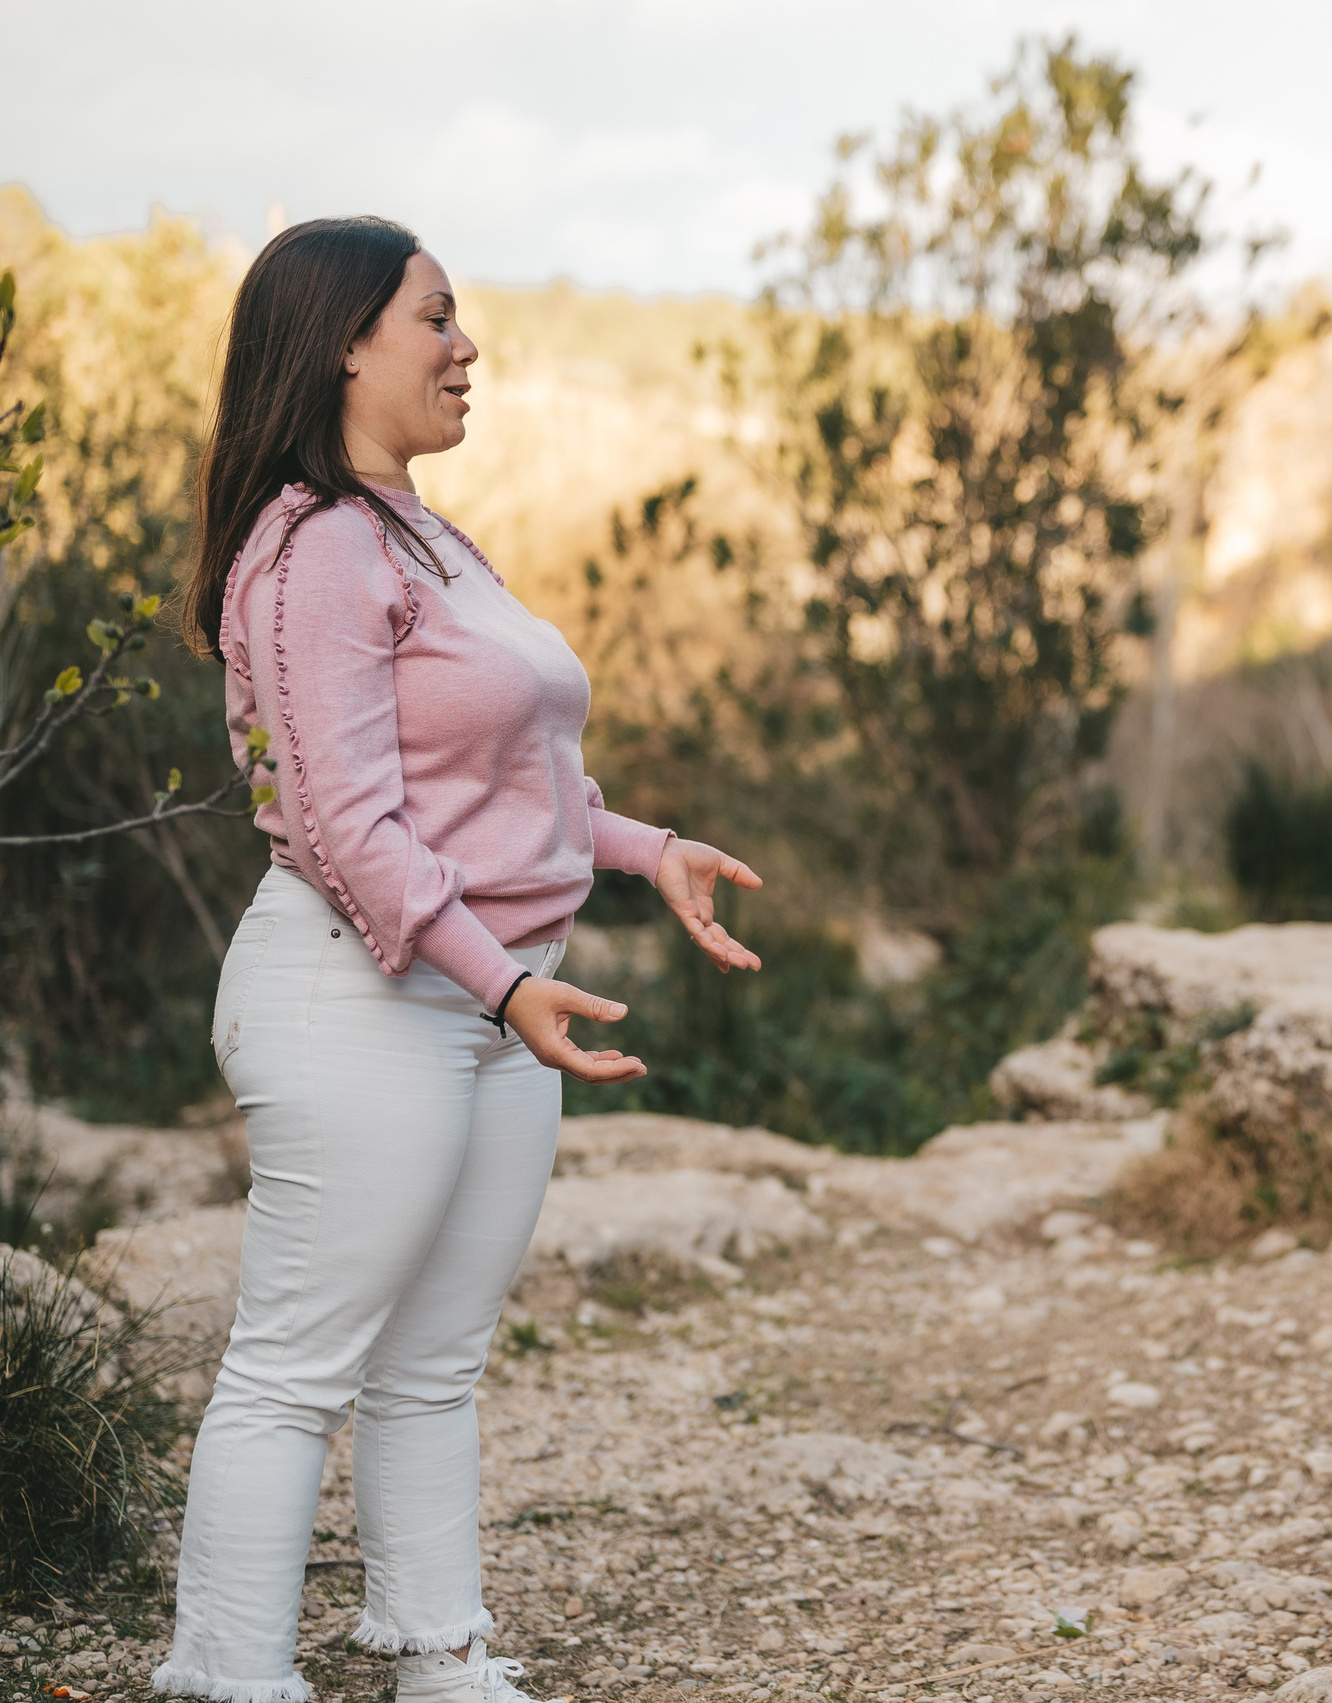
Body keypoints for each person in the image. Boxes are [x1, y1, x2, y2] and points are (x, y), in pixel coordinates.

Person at [151, 217, 762, 1703]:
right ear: (344, 342)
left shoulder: (422, 531)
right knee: (298, 1361)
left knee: (433, 1359)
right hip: (363, 994)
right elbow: (351, 825)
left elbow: (502, 786)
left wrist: (643, 847)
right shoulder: (310, 549)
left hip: (484, 989)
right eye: (435, 318)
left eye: (460, 317)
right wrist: (501, 981)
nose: (465, 346)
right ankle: (230, 1673)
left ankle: (437, 1651)